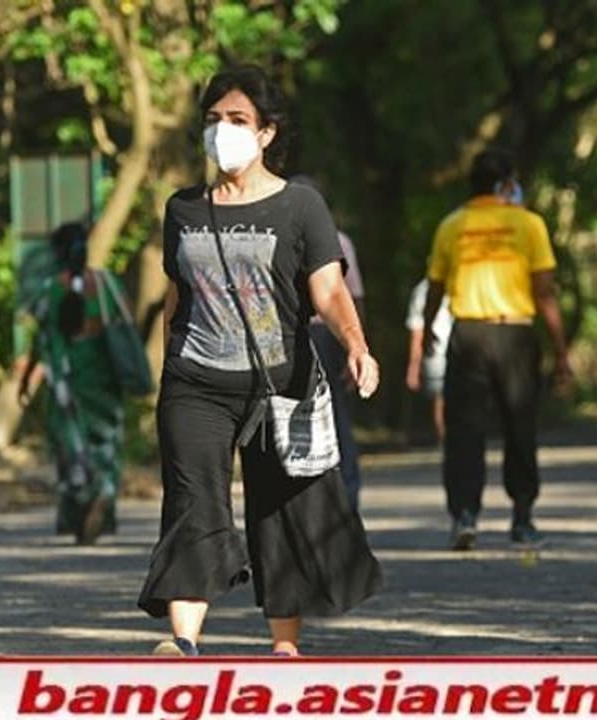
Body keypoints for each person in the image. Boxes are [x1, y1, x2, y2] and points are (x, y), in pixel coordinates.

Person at [138, 65, 383, 657]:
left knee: (282, 508)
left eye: (239, 121)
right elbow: (177, 298)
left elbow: (327, 290)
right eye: (214, 120)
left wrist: (356, 345)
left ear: (267, 133)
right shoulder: (184, 209)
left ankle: (283, 644)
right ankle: (184, 640)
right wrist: (170, 373)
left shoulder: (301, 206)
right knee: (193, 499)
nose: (223, 132)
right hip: (195, 382)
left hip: (280, 383)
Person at [421, 148, 571, 551]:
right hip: (516, 336)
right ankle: (522, 518)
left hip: (468, 334)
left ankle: (465, 515)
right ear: (507, 183)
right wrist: (561, 351)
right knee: (519, 425)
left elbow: (434, 285)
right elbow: (545, 292)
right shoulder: (529, 225)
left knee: (463, 430)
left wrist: (428, 329)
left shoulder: (452, 225)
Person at [18, 222, 130, 546]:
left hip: (68, 380)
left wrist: (27, 379)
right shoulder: (108, 284)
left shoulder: (51, 289)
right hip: (105, 376)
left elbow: (42, 338)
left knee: (72, 446)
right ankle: (105, 492)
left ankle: (81, 507)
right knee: (105, 442)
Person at [291, 175, 366, 512]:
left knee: (302, 413)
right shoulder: (339, 240)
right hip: (321, 334)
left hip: (313, 333)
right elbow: (355, 298)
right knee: (332, 413)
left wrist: (357, 348)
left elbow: (347, 296)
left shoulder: (282, 236)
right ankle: (342, 495)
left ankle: (335, 494)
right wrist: (357, 344)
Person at [405, 277, 453, 441]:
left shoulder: (421, 290)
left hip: (436, 351)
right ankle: (447, 438)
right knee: (443, 398)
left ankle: (446, 439)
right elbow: (417, 331)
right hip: (445, 350)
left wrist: (413, 367)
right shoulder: (463, 280)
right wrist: (414, 367)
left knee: (440, 398)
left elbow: (416, 332)